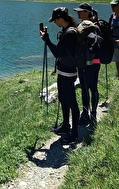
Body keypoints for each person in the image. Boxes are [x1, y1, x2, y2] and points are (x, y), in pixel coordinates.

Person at [40, 7, 80, 144]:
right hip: (64, 70)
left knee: (71, 102)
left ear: (60, 19)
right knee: (63, 98)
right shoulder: (67, 31)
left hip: (68, 72)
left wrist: (47, 40)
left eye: (55, 20)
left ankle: (74, 133)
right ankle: (65, 126)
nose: (54, 23)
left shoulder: (70, 33)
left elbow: (58, 53)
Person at [73, 3, 100, 124]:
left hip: (88, 61)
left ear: (88, 12)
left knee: (88, 87)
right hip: (94, 61)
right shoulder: (91, 25)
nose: (78, 13)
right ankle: (90, 113)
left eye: (81, 11)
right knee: (89, 87)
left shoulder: (88, 26)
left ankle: (88, 113)